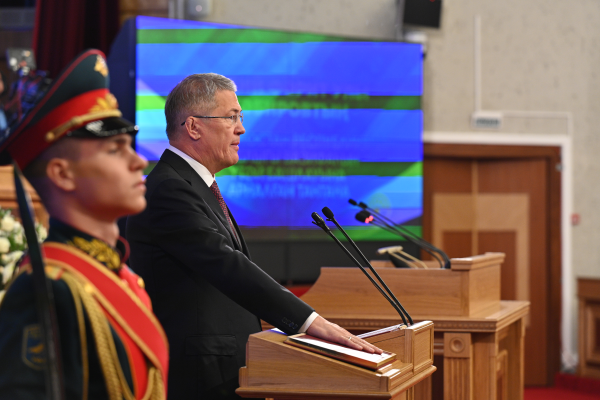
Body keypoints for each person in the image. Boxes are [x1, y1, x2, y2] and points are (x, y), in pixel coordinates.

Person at [126, 73, 381, 400]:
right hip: (199, 375)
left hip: (224, 367)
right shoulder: (168, 188)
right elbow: (226, 265)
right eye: (231, 117)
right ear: (193, 127)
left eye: (241, 117)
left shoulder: (196, 185)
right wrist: (310, 323)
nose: (241, 128)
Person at [0, 50, 169, 399]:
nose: (138, 161)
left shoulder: (119, 274)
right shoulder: (44, 289)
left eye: (131, 146)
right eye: (114, 149)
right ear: (63, 174)